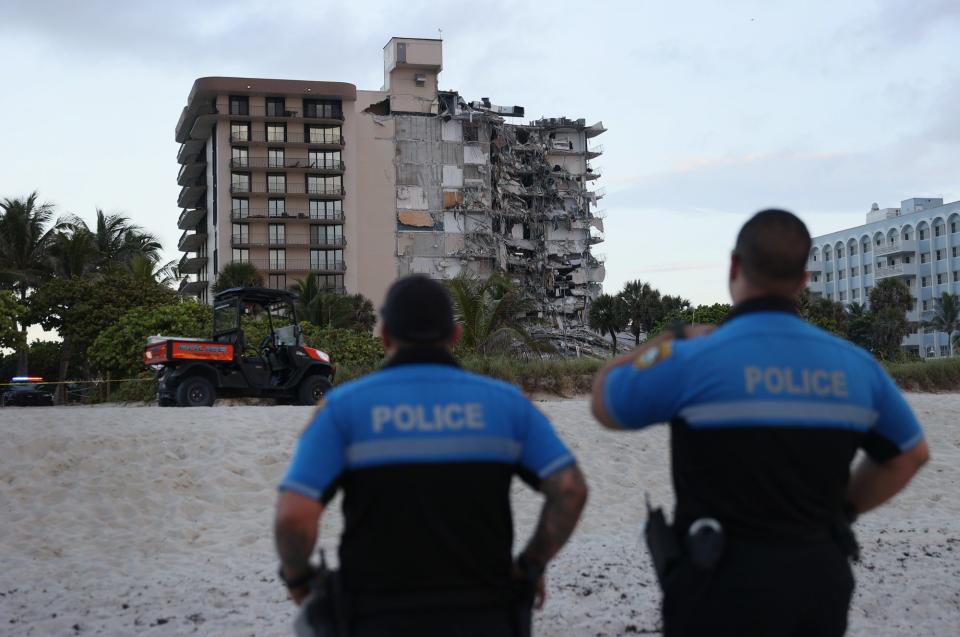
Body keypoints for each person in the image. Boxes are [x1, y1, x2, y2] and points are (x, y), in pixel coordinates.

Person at [590, 209, 930, 637]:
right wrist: (839, 512)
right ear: (803, 281)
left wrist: (670, 338)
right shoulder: (856, 366)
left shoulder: (693, 358)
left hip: (717, 585)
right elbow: (910, 455)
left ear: (734, 266)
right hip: (818, 582)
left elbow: (605, 401)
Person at [274, 274, 588, 636]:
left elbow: (293, 518)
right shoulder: (507, 404)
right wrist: (531, 565)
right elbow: (570, 490)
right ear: (454, 336)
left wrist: (299, 579)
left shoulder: (343, 408)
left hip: (374, 617)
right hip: (487, 614)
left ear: (385, 335)